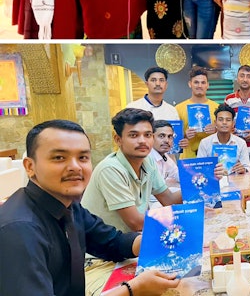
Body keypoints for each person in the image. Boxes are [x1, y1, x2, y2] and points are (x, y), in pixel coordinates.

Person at [0, 120, 180, 296]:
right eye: (59, 158)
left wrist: (154, 238)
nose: (75, 167)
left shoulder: (69, 206)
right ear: (30, 167)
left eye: (83, 158)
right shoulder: (20, 230)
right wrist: (132, 290)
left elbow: (110, 242)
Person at [81, 108, 183, 232]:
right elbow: (136, 222)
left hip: (132, 239)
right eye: (133, 135)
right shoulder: (110, 169)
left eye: (148, 135)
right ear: (118, 139)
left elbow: (169, 199)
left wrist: (204, 181)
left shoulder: (148, 162)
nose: (142, 141)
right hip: (103, 248)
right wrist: (182, 217)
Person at [224, 65, 250, 171]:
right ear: (237, 78)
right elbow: (224, 121)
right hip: (234, 150)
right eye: (242, 76)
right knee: (235, 183)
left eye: (248, 76)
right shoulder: (229, 100)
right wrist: (229, 130)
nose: (245, 79)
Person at [175, 66, 219, 158]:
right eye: (196, 82)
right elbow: (173, 138)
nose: (199, 86)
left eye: (203, 82)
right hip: (187, 160)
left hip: (211, 158)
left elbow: (227, 134)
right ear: (190, 84)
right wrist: (185, 135)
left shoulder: (217, 107)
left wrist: (216, 130)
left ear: (208, 85)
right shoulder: (178, 108)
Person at [197, 104, 250, 174]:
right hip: (213, 182)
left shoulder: (241, 143)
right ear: (215, 123)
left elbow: (249, 169)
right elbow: (199, 168)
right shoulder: (205, 142)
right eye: (220, 119)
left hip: (236, 182)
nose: (224, 123)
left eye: (228, 120)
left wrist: (244, 170)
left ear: (233, 123)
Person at [148, 120, 179, 203]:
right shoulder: (146, 158)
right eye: (161, 136)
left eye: (170, 137)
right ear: (151, 137)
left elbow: (179, 175)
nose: (166, 140)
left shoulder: (165, 156)